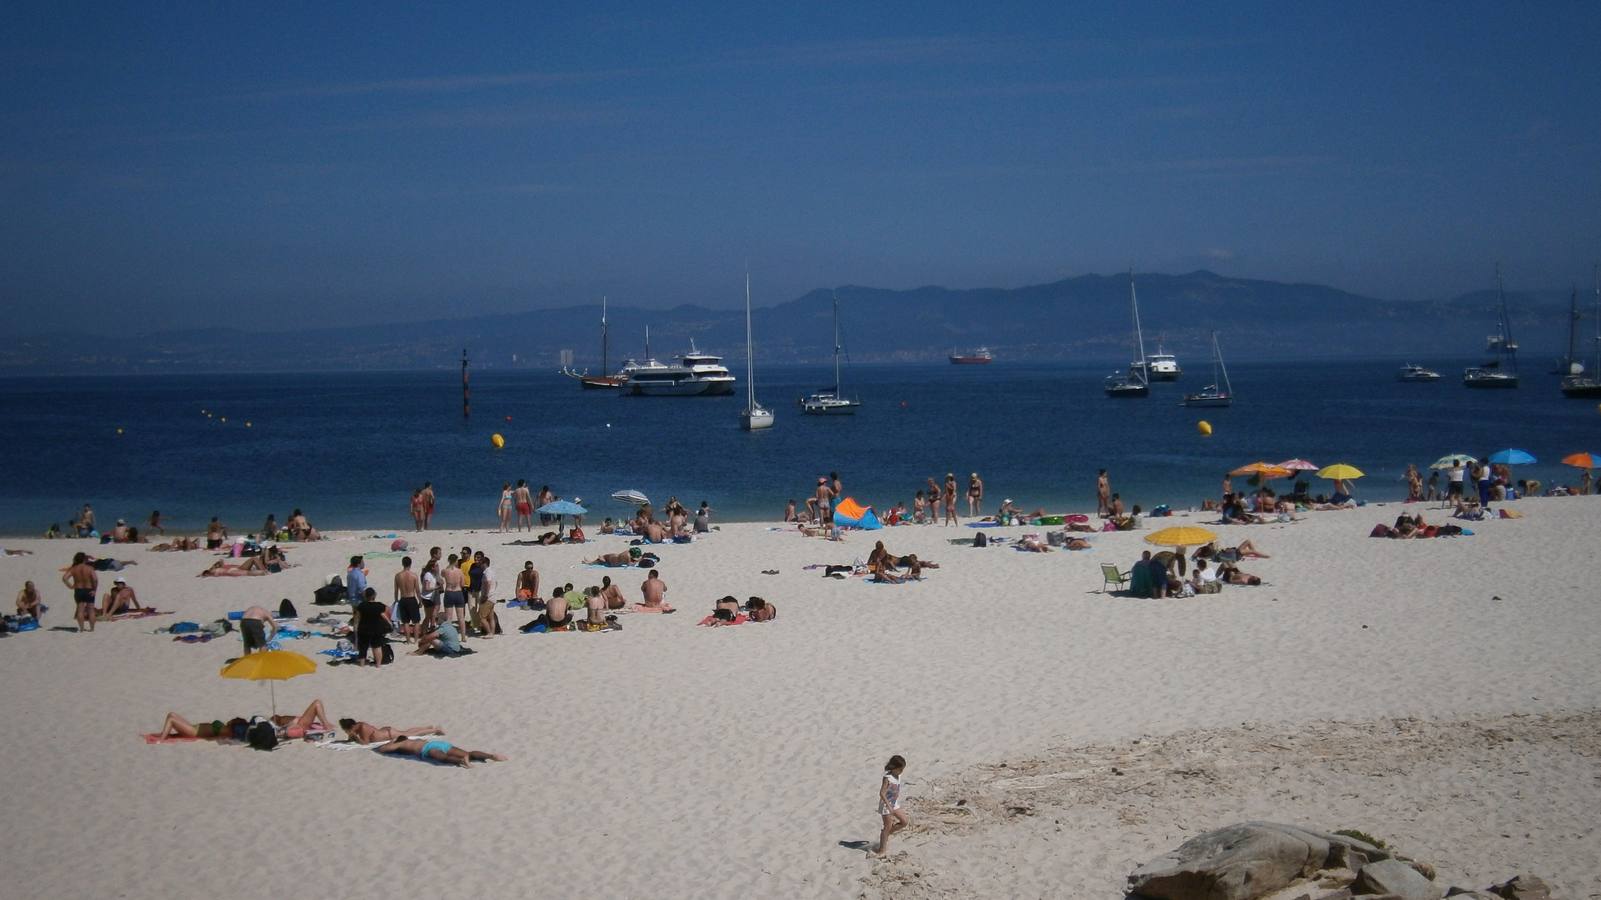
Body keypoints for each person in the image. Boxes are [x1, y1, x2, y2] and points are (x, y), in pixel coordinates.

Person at [374, 737, 506, 768]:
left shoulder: (399, 744)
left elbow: (382, 750)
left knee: (443, 758)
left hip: (427, 750)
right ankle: (491, 756)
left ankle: (460, 761)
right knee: (468, 752)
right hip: (437, 743)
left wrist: (390, 743)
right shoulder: (412, 739)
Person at [874, 755, 910, 857]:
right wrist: (888, 805)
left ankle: (887, 833)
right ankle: (881, 850)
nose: (902, 771)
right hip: (886, 806)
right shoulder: (887, 778)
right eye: (900, 769)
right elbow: (881, 793)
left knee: (904, 821)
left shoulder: (898, 776)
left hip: (895, 804)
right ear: (894, 767)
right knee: (887, 826)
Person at [353, 587, 391, 668]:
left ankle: (362, 665)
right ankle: (378, 665)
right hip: (376, 629)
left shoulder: (361, 606)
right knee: (377, 647)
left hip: (364, 629)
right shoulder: (379, 606)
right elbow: (386, 612)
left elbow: (357, 618)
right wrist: (388, 622)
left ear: (365, 596)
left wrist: (355, 629)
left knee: (363, 648)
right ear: (374, 595)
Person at [62, 551, 97, 632]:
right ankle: (92, 629)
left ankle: (81, 628)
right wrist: (94, 590)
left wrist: (70, 586)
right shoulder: (89, 568)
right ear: (84, 559)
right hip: (89, 589)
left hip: (79, 590)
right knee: (91, 609)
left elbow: (64, 578)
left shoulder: (74, 569)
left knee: (80, 609)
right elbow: (95, 580)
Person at [338, 719, 444, 744]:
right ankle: (426, 727)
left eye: (346, 730)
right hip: (385, 732)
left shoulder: (362, 728)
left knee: (411, 734)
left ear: (350, 727)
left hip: (388, 734)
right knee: (407, 732)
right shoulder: (359, 726)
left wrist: (354, 737)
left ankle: (435, 730)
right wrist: (351, 737)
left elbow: (365, 743)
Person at [393, 556, 422, 643]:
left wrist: (396, 600)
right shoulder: (414, 576)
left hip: (403, 599)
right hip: (411, 599)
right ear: (410, 564)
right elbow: (417, 590)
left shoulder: (398, 576)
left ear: (402, 564)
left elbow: (396, 590)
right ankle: (416, 640)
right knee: (416, 621)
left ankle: (408, 640)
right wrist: (420, 600)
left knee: (405, 621)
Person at [442, 553, 468, 638]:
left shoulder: (445, 571)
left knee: (449, 618)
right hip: (458, 593)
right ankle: (463, 636)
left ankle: (449, 636)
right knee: (461, 617)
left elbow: (442, 576)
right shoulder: (459, 571)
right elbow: (463, 584)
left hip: (449, 593)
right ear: (456, 561)